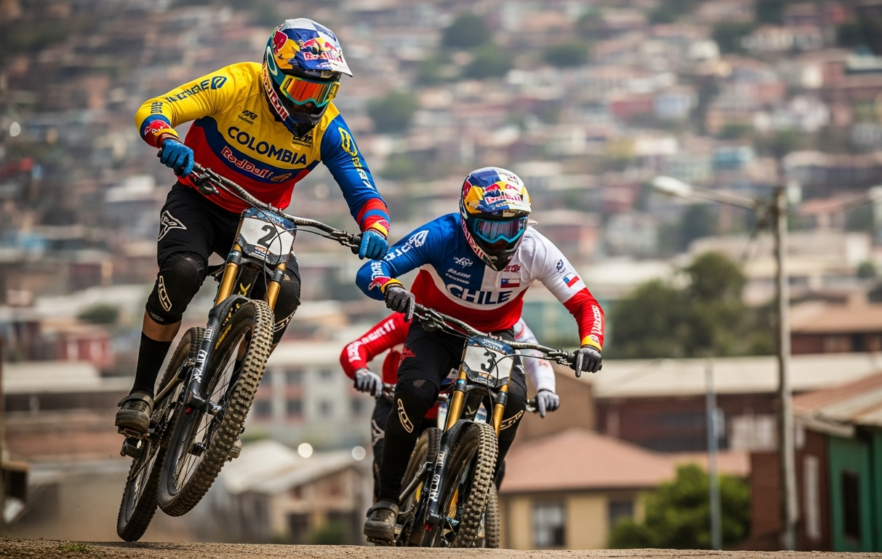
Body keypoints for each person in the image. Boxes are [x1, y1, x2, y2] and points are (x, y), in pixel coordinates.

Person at [116, 18, 391, 434]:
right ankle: (140, 391)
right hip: (199, 199)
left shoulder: (328, 129)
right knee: (182, 272)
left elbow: (364, 190)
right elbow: (156, 108)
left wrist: (375, 227)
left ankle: (232, 403)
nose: (312, 104)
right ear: (273, 74)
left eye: (324, 92)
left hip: (260, 218)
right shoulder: (237, 83)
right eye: (302, 89)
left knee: (286, 295)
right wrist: (167, 138)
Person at [354, 166, 604, 540]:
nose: (502, 241)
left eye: (512, 228)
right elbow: (373, 269)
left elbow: (586, 304)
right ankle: (387, 500)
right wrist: (390, 287)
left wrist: (590, 343)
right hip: (435, 330)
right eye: (490, 228)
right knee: (414, 394)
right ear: (467, 220)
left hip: (494, 337)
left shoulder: (536, 249)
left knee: (514, 402)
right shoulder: (441, 235)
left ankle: (478, 492)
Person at [340, 307, 560, 500]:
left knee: (495, 464)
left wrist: (546, 388)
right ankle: (385, 507)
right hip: (397, 404)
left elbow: (534, 354)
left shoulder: (504, 319)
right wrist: (361, 371)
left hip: (455, 410)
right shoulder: (414, 316)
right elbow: (358, 347)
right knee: (386, 464)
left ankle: (471, 517)